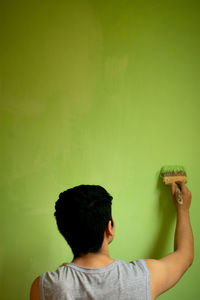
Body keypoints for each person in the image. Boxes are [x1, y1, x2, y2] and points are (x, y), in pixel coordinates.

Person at [30, 182, 194, 300]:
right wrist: (183, 209)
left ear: (65, 233)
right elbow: (185, 255)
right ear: (109, 228)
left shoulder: (44, 287)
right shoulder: (143, 277)